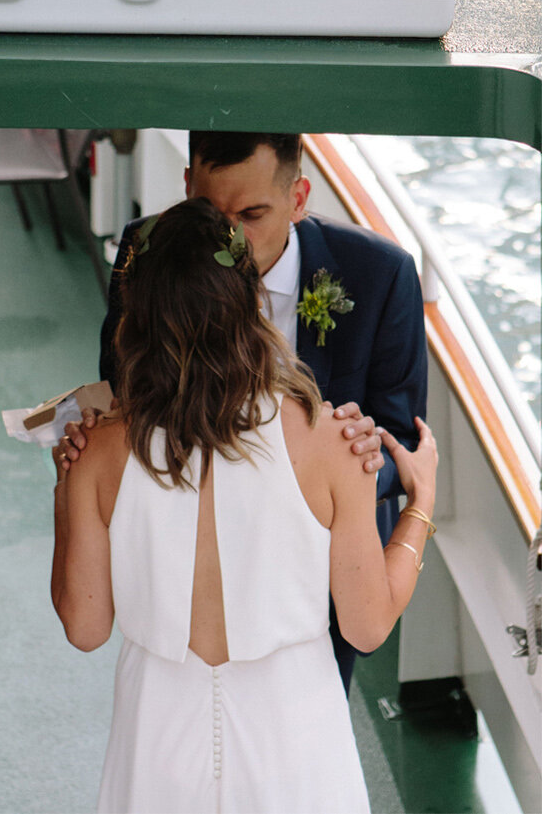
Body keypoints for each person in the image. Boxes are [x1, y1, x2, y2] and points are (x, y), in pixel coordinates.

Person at [52, 198, 438, 812]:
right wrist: (419, 507)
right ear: (249, 308)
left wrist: (63, 489)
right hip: (295, 737)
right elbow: (367, 626)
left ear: (137, 319)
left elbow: (86, 626)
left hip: (156, 736)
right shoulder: (332, 444)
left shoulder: (96, 453)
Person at [57, 131, 427, 690]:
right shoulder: (148, 249)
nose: (228, 239)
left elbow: (401, 437)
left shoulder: (381, 274)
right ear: (185, 190)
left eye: (251, 214)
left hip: (326, 563)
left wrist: (339, 475)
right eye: (211, 213)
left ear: (299, 198)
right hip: (174, 563)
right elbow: (126, 388)